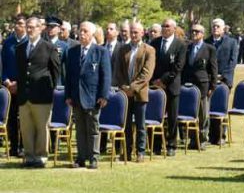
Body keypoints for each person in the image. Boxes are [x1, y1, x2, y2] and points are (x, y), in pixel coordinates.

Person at [65, 21, 112, 169]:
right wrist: (68, 95)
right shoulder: (72, 52)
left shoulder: (100, 51)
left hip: (93, 97)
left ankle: (93, 157)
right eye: (80, 31)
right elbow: (69, 76)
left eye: (85, 31)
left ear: (92, 34)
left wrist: (104, 95)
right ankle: (81, 157)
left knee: (92, 129)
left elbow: (106, 75)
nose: (81, 34)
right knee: (79, 129)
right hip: (76, 96)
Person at [16, 15, 61, 167]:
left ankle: (41, 156)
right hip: (24, 96)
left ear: (40, 28)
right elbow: (21, 71)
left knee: (42, 128)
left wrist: (50, 89)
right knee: (26, 128)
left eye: (32, 27)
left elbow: (55, 72)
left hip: (42, 96)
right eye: (27, 27)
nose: (29, 30)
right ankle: (29, 156)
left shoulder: (49, 47)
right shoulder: (21, 48)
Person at [116, 22, 156, 162]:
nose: (133, 35)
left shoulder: (149, 50)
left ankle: (140, 151)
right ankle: (126, 151)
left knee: (140, 124)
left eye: (136, 32)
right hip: (125, 94)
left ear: (142, 33)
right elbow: (118, 71)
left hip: (140, 93)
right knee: (126, 124)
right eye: (131, 32)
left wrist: (132, 88)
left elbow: (147, 73)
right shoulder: (123, 49)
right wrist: (124, 87)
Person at [150, 17, 186, 155]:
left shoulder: (180, 45)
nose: (164, 29)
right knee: (156, 116)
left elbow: (178, 67)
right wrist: (154, 81)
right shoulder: (155, 43)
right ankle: (156, 145)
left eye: (167, 26)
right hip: (155, 86)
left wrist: (163, 81)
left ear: (173, 28)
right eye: (163, 26)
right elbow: (151, 64)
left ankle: (171, 145)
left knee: (172, 118)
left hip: (171, 86)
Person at [181, 23, 218, 149]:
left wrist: (212, 86)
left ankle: (202, 138)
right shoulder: (187, 47)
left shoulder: (209, 49)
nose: (194, 34)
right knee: (191, 112)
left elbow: (213, 69)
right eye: (192, 31)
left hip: (202, 85)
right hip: (188, 84)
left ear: (202, 34)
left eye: (197, 31)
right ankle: (192, 138)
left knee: (203, 113)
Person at [1, 13, 27, 157]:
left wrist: (20, 82)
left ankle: (23, 147)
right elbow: (2, 65)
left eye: (21, 24)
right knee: (10, 118)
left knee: (23, 117)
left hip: (23, 86)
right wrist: (6, 81)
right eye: (16, 23)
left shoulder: (29, 42)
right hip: (9, 86)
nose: (18, 26)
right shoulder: (8, 42)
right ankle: (13, 147)